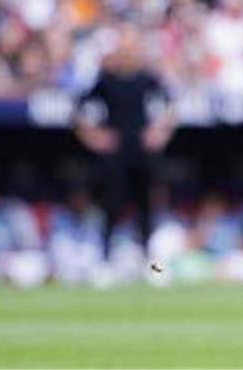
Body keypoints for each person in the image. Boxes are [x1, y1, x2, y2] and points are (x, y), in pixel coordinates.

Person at [74, 23, 175, 260]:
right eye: (124, 48)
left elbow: (171, 106)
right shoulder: (106, 80)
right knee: (111, 204)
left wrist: (160, 132)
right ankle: (105, 259)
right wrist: (93, 136)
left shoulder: (147, 78)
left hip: (141, 150)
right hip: (115, 152)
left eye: (132, 48)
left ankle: (150, 261)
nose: (128, 53)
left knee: (146, 205)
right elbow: (78, 110)